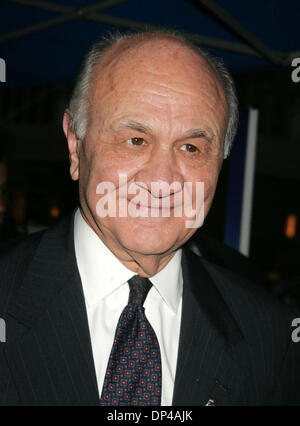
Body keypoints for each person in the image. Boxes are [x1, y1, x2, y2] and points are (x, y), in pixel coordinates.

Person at [0, 31, 299, 406]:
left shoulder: (271, 337)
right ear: (76, 146)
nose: (162, 181)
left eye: (191, 148)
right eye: (135, 140)